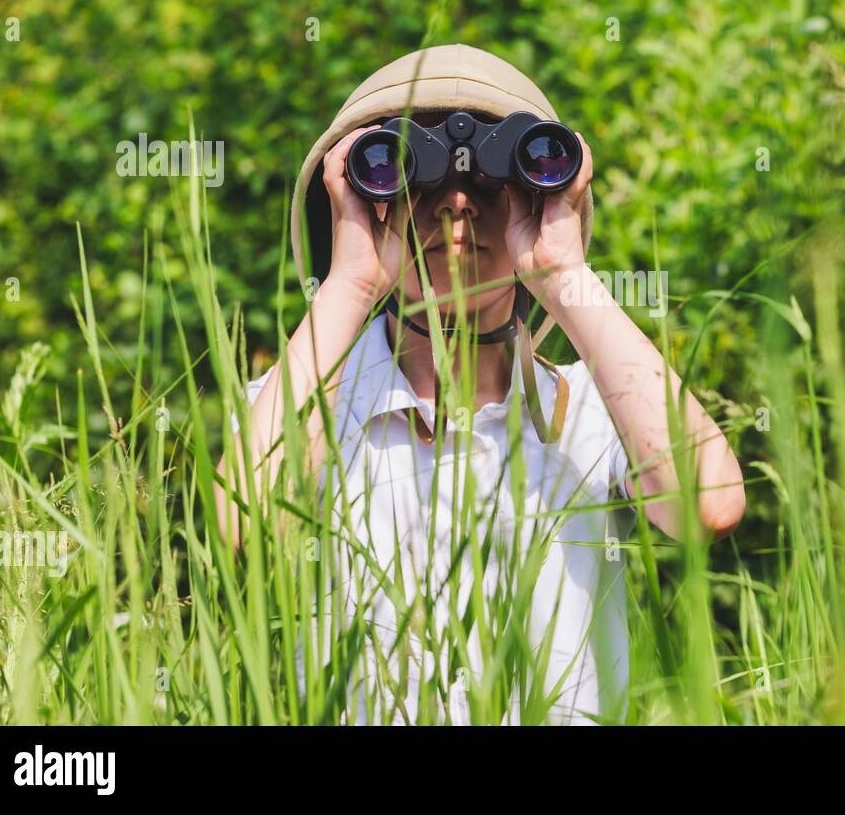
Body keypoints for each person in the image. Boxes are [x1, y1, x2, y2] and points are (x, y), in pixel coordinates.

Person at [214, 43, 746, 724]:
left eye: (496, 184)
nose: (456, 210)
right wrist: (350, 280)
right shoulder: (311, 406)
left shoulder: (590, 408)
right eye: (417, 180)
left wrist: (564, 276)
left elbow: (708, 506)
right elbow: (241, 526)